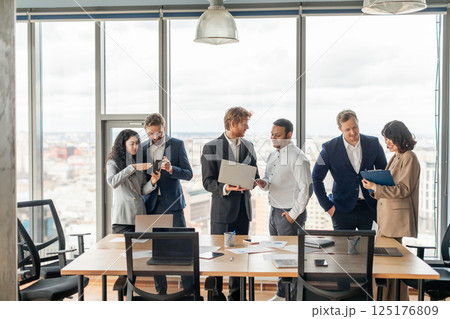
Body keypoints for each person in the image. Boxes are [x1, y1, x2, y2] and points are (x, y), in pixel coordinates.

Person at [201, 106, 259, 301]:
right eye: (244, 123)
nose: (247, 127)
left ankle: (237, 297)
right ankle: (216, 298)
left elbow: (255, 174)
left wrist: (255, 182)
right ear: (232, 123)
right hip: (223, 211)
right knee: (218, 256)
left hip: (243, 210)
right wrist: (226, 187)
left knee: (239, 256)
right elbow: (207, 181)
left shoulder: (249, 146)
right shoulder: (211, 147)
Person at [255, 118, 313, 301]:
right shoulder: (274, 155)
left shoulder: (298, 158)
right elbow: (270, 181)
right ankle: (282, 294)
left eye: (278, 135)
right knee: (279, 256)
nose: (274, 138)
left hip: (289, 213)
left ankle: (293, 299)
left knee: (292, 258)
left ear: (289, 135)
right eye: (272, 135)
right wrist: (264, 184)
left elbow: (307, 189)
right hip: (274, 211)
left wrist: (292, 216)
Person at [362, 120, 420, 301]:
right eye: (385, 139)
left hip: (395, 220)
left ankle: (384, 302)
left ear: (400, 138)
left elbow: (404, 189)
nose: (387, 143)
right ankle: (393, 302)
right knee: (391, 266)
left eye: (389, 139)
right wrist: (374, 184)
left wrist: (375, 187)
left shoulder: (409, 157)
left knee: (386, 266)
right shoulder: (397, 156)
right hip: (387, 218)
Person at [141, 113, 193, 295]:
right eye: (150, 134)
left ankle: (189, 292)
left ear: (164, 128)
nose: (155, 137)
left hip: (174, 205)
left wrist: (171, 169)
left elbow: (188, 174)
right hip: (152, 205)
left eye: (159, 133)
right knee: (157, 252)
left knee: (183, 248)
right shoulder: (141, 148)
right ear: (146, 132)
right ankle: (161, 293)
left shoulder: (176, 145)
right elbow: (139, 180)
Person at [312, 110, 387, 231]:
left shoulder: (373, 143)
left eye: (355, 127)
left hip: (370, 209)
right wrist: (328, 207)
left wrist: (380, 204)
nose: (353, 132)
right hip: (341, 211)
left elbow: (384, 174)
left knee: (369, 249)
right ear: (340, 129)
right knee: (342, 250)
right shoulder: (328, 149)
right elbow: (316, 177)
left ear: (358, 123)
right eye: (348, 129)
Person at [106, 129, 160, 234]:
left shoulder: (137, 162)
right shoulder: (113, 163)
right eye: (132, 144)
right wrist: (133, 167)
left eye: (137, 143)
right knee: (122, 249)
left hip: (140, 216)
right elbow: (112, 182)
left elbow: (142, 190)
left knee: (142, 249)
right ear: (123, 145)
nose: (135, 147)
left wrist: (152, 182)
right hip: (123, 218)